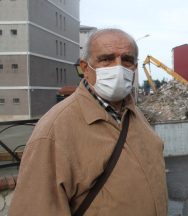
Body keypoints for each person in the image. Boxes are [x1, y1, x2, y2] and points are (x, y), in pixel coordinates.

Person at [9, 28, 168, 216]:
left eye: (127, 60)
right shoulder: (54, 130)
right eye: (106, 59)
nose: (118, 68)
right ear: (85, 68)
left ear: (134, 67)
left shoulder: (132, 112)